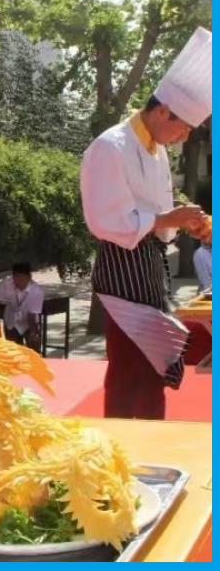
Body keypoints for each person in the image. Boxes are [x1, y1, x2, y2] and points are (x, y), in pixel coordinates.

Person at [81, 27, 212, 419]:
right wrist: (169, 218)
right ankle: (121, 445)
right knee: (127, 372)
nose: (183, 136)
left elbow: (160, 217)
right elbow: (105, 221)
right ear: (163, 111)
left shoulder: (157, 151)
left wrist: (185, 222)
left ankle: (153, 440)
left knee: (154, 370)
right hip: (121, 270)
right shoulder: (110, 146)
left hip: (151, 268)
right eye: (183, 127)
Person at [0, 263, 44, 352]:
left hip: (29, 322)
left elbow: (32, 316)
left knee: (34, 347)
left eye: (22, 278)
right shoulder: (7, 283)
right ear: (12, 277)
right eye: (16, 277)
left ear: (29, 277)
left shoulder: (37, 291)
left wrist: (34, 333)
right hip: (11, 320)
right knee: (13, 351)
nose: (19, 281)